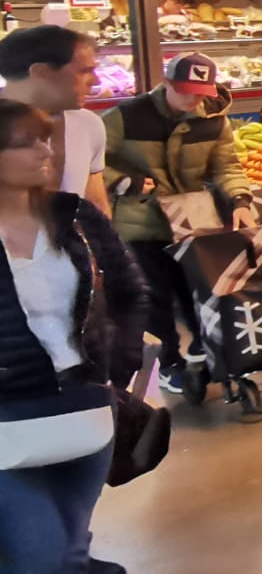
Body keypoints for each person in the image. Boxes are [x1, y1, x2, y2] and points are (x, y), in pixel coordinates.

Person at [0, 100, 148, 574]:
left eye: (46, 137)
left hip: (84, 405)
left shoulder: (75, 217)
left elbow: (128, 290)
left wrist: (118, 366)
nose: (47, 150)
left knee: (71, 542)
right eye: (26, 142)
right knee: (37, 551)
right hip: (8, 413)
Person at [102, 53, 256, 396]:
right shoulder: (126, 116)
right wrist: (123, 181)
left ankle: (204, 348)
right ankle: (169, 362)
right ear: (167, 84)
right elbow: (93, 160)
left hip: (192, 219)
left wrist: (240, 200)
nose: (194, 100)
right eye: (186, 91)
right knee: (153, 295)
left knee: (197, 287)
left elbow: (226, 167)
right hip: (141, 220)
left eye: (201, 92)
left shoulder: (214, 118)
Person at [0, 26, 110, 214]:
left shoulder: (88, 125)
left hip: (69, 242)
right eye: (85, 71)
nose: (96, 81)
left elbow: (96, 205)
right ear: (41, 72)